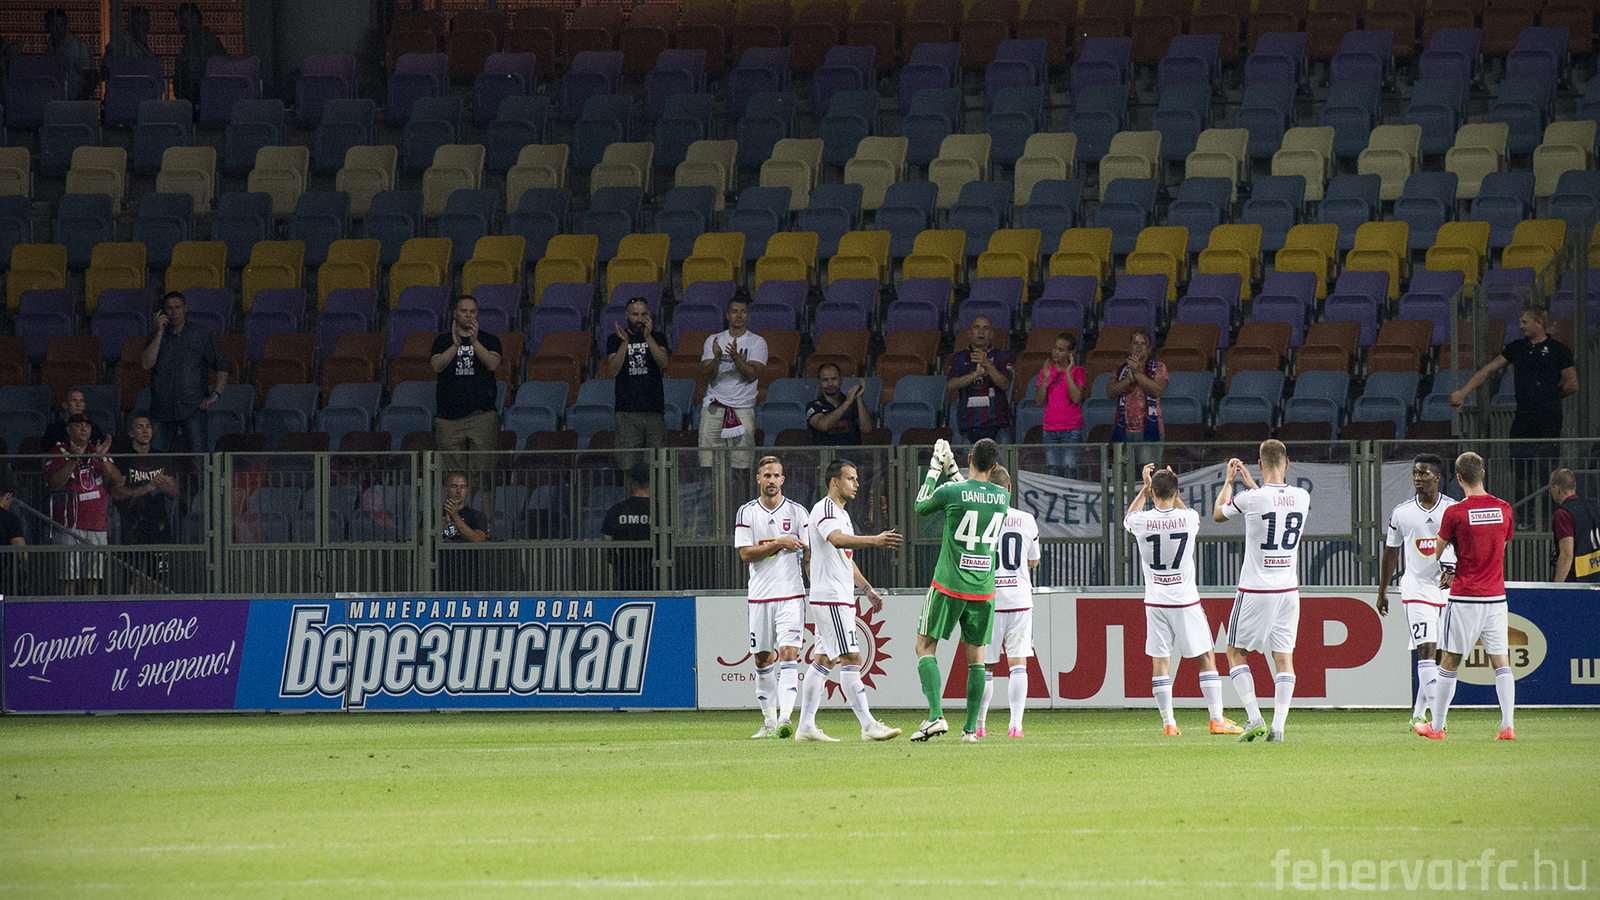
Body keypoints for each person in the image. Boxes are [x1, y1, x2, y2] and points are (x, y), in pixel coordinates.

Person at [1127, 463, 1247, 737]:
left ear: (1152, 492)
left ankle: (1169, 723)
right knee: (1206, 656)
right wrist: (1172, 492)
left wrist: (1144, 489)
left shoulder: (1141, 521)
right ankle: (1216, 719)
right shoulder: (1188, 518)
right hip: (1185, 601)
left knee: (1161, 660)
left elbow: (1129, 516)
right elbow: (1186, 514)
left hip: (1155, 602)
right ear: (1177, 492)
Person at [910, 437, 1009, 743]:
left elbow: (921, 506)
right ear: (994, 465)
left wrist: (935, 468)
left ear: (969, 459)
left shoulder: (952, 491)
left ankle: (936, 716)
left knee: (925, 646)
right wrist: (954, 469)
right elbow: (975, 495)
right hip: (983, 589)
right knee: (977, 658)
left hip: (949, 583)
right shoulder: (1002, 497)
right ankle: (969, 731)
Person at [797, 458, 902, 742]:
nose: (856, 484)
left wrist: (866, 588)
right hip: (831, 598)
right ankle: (868, 725)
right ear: (834, 481)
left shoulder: (842, 514)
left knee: (823, 660)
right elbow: (837, 540)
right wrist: (875, 540)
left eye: (856, 479)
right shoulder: (825, 509)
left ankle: (805, 727)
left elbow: (845, 558)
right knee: (851, 658)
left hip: (836, 596)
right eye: (850, 479)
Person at [1213, 439, 1311, 743]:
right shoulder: (1302, 496)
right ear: (1287, 463)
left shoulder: (1250, 498)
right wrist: (1254, 486)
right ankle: (1278, 727)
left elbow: (1218, 514)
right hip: (1288, 590)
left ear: (1259, 465)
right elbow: (1274, 505)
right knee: (1284, 657)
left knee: (1234, 652)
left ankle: (1255, 717)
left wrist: (1229, 482)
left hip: (1255, 589)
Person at [1416, 452, 1517, 741]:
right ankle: (1507, 726)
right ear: (1483, 474)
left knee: (1449, 661)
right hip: (1496, 597)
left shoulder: (1455, 513)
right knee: (1501, 661)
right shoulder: (1504, 509)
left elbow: (1436, 554)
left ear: (1458, 478)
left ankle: (1437, 727)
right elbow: (1500, 550)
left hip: (1465, 597)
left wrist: (1451, 560)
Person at [1448, 306, 1578, 503]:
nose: (1521, 326)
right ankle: (1523, 510)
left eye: (1525, 322)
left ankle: (1548, 511)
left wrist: (1551, 396)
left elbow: (1572, 384)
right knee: (1520, 467)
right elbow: (1487, 370)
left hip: (1549, 417)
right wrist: (1463, 392)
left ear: (1539, 323)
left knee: (1547, 467)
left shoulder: (1559, 349)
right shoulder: (1517, 347)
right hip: (1524, 416)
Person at [1378, 454, 1457, 728]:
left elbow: (1465, 547)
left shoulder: (1453, 510)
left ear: (1438, 477)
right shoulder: (1402, 513)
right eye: (1415, 473)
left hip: (1447, 592)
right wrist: (1382, 590)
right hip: (1416, 590)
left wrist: (1455, 568)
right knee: (1426, 651)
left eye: (1424, 473)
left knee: (1440, 657)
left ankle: (1418, 712)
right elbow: (1391, 551)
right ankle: (1437, 720)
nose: (1418, 478)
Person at [735, 456, 810, 738]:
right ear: (758, 479)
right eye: (766, 475)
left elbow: (808, 553)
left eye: (776, 475)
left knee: (790, 654)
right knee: (762, 660)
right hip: (760, 597)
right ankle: (769, 722)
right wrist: (779, 543)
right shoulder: (747, 512)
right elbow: (745, 554)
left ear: (783, 480)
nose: (771, 480)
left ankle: (785, 718)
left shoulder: (797, 512)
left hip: (791, 596)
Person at [973, 465, 1040, 739]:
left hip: (988, 599)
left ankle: (979, 725)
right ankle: (1015, 726)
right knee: (1018, 664)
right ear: (1009, 489)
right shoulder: (1026, 519)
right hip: (1019, 600)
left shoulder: (978, 518)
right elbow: (1034, 560)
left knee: (985, 667)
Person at [141, 291, 231, 453]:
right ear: (163, 312)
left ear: (185, 309)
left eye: (177, 307)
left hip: (193, 406)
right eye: (169, 308)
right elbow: (146, 364)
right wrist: (160, 332)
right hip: (162, 407)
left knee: (199, 459)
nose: (174, 312)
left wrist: (216, 394)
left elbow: (222, 366)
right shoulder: (156, 335)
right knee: (156, 458)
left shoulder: (200, 334)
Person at [44, 414, 123, 595]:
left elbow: (117, 482)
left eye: (87, 425)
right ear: (68, 429)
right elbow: (54, 484)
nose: (84, 428)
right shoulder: (58, 452)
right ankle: (67, 613)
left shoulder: (98, 450)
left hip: (97, 525)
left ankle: (91, 612)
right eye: (78, 425)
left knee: (93, 580)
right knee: (67, 580)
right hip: (68, 525)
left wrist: (103, 459)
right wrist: (73, 460)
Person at [431, 295, 502, 484]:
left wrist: (474, 342)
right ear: (455, 313)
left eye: (473, 311)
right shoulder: (442, 341)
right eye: (464, 311)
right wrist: (456, 345)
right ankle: (456, 505)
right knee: (453, 478)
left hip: (481, 417)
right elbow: (437, 365)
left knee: (483, 476)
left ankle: (481, 505)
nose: (468, 315)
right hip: (448, 419)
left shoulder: (490, 340)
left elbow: (492, 363)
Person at [109, 415, 180, 592]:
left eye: (148, 426)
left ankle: (158, 608)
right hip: (132, 524)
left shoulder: (161, 457)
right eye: (140, 427)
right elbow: (116, 492)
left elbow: (174, 493)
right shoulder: (124, 458)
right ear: (131, 433)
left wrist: (163, 485)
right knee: (131, 576)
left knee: (160, 578)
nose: (145, 431)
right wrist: (147, 487)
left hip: (158, 523)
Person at [699, 296, 767, 474]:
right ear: (727, 315)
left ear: (748, 316)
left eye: (743, 312)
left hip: (742, 409)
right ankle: (715, 494)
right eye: (735, 311)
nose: (739, 315)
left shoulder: (757, 342)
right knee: (709, 464)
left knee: (741, 467)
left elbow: (752, 375)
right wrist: (717, 358)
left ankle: (739, 494)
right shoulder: (713, 340)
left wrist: (736, 358)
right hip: (714, 407)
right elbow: (708, 375)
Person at [605, 297, 669, 469]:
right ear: (627, 315)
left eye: (643, 314)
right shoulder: (615, 339)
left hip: (653, 410)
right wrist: (625, 343)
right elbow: (613, 370)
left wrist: (648, 338)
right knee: (627, 464)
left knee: (657, 464)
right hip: (627, 413)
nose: (639, 319)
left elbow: (664, 363)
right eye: (635, 315)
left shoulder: (658, 337)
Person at [944, 316, 1014, 444]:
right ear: (970, 333)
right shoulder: (958, 358)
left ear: (991, 334)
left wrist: (987, 364)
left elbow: (1005, 385)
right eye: (977, 327)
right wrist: (974, 375)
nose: (981, 332)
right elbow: (950, 385)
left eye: (985, 328)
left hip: (998, 424)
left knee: (1002, 458)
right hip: (969, 424)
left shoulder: (1001, 356)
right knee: (969, 458)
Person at [1107, 329, 1168, 470]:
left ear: (1149, 349)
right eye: (1135, 343)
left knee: (1147, 474)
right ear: (1129, 347)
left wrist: (1137, 373)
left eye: (1143, 343)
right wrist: (1127, 380)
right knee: (1122, 473)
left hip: (1149, 431)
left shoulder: (1159, 367)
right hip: (1124, 431)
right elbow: (1110, 392)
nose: (1139, 346)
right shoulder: (1120, 369)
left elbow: (1157, 390)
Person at [1033, 331, 1087, 477]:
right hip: (1050, 429)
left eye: (1061, 350)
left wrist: (1068, 373)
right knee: (1053, 472)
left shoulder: (1078, 371)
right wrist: (1045, 379)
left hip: (1071, 429)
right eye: (1055, 348)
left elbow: (1076, 398)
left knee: (1070, 470)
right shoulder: (1046, 372)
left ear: (1070, 353)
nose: (1056, 352)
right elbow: (1039, 401)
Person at [601, 462, 654, 592]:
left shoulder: (616, 510)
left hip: (625, 573)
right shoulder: (660, 510)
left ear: (631, 481)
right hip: (654, 573)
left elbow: (607, 544)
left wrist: (616, 563)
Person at [1548, 468, 1600, 584]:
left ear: (1556, 489)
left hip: (1577, 582)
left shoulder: (1563, 514)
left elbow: (1567, 555)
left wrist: (1556, 587)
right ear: (1574, 486)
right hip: (1596, 578)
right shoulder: (1593, 508)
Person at [807, 363, 875, 446]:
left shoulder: (854, 403)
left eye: (834, 379)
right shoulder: (813, 406)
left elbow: (867, 429)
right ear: (819, 382)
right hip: (825, 453)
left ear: (840, 380)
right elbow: (823, 426)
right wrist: (846, 403)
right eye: (825, 380)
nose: (830, 383)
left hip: (851, 453)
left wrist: (859, 398)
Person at [174, 2, 226, 107]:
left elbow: (191, 71)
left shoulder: (199, 42)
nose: (180, 24)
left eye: (183, 19)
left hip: (197, 96)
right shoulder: (206, 40)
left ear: (195, 18)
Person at [45, 8, 97, 101]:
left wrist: (80, 100)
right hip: (55, 101)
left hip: (75, 101)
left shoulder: (78, 46)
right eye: (54, 25)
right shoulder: (49, 45)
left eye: (61, 25)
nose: (58, 29)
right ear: (48, 27)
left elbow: (91, 76)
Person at [41, 388, 105, 450]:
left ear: (84, 406)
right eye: (74, 400)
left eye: (81, 401)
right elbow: (45, 455)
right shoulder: (53, 429)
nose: (78, 405)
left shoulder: (94, 429)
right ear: (65, 405)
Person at [0, 470, 28, 596]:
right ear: (8, 496)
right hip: (5, 577)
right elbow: (19, 546)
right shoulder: (10, 518)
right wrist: (26, 566)